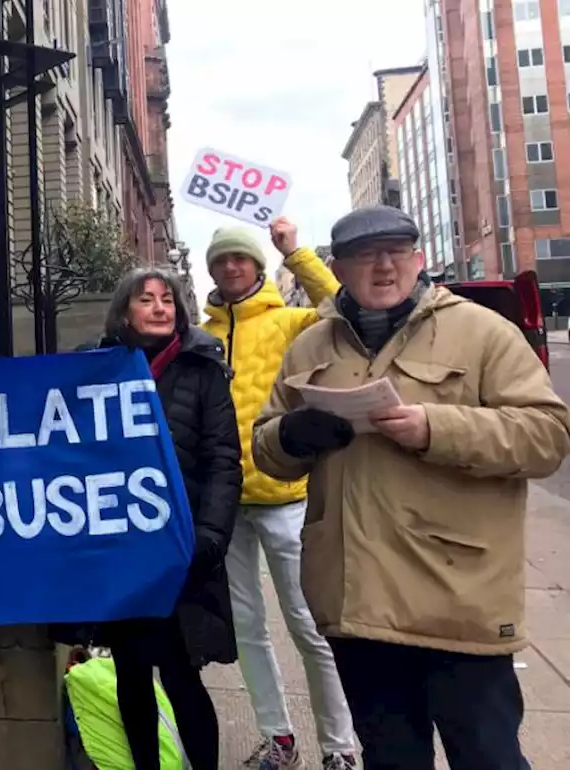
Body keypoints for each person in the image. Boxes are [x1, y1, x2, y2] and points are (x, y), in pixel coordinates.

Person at [252, 205, 570, 770]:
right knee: (392, 759)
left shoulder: (482, 332)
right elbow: (267, 450)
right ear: (340, 268)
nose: (382, 267)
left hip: (457, 597)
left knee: (488, 756)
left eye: (396, 253)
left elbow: (547, 436)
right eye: (364, 256)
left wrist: (436, 427)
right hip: (357, 600)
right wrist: (292, 435)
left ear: (418, 259)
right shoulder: (310, 347)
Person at [200, 217, 357, 770]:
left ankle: (339, 746)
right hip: (227, 506)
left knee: (310, 625)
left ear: (257, 265)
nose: (230, 267)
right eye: (220, 260)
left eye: (239, 258)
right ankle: (279, 738)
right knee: (247, 629)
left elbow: (345, 308)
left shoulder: (291, 321)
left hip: (289, 495)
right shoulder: (204, 336)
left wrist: (297, 253)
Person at [90, 268, 242, 770]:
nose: (159, 308)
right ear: (125, 310)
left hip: (185, 548)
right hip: (124, 551)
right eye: (146, 299)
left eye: (167, 300)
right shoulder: (97, 368)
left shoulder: (203, 370)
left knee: (182, 675)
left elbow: (224, 459)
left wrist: (212, 536)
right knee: (132, 672)